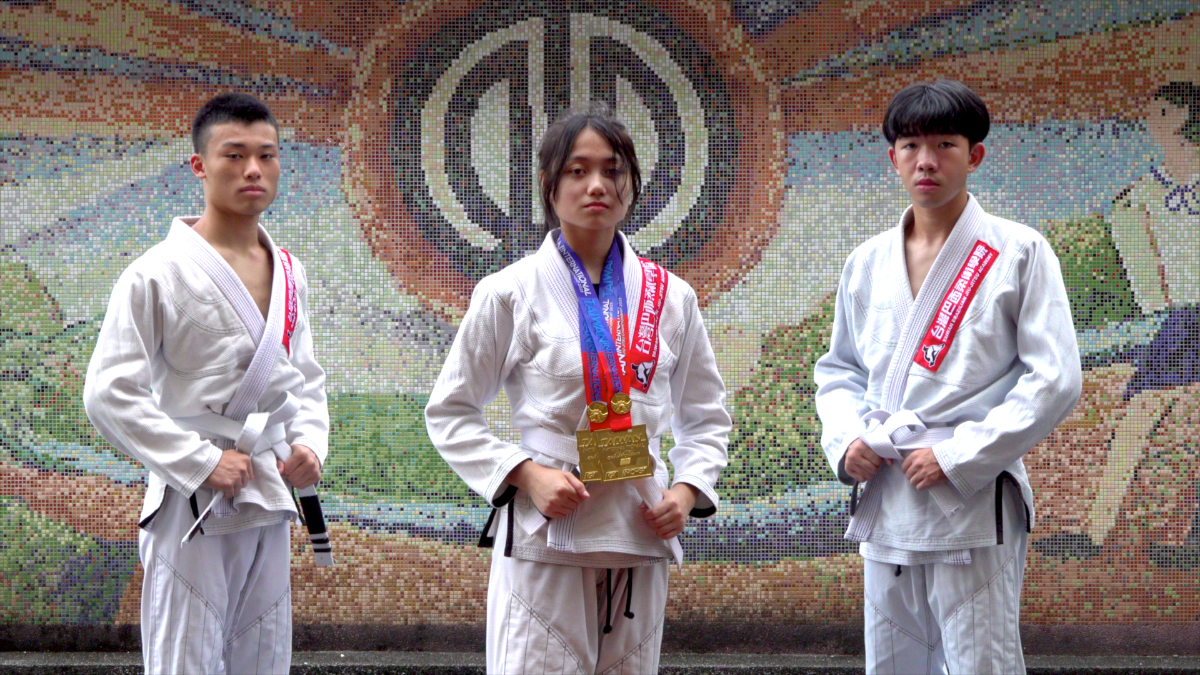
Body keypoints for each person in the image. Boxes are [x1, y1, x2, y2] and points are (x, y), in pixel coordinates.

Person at [425, 102, 729, 675]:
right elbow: (451, 411)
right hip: (549, 527)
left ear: (631, 183)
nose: (597, 185)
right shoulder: (509, 291)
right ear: (549, 183)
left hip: (639, 521)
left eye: (613, 170)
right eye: (578, 170)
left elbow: (706, 417)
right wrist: (526, 474)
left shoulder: (672, 297)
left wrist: (688, 491)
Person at [813, 80, 1082, 674]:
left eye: (944, 144)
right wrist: (847, 439)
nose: (926, 160)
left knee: (980, 662)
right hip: (888, 493)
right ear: (893, 158)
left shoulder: (1019, 251)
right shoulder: (866, 261)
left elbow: (1055, 378)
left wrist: (960, 456)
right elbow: (839, 370)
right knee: (892, 662)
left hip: (970, 497)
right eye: (911, 146)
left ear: (974, 155)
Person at [84, 92, 329, 674]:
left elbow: (305, 377)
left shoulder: (289, 270)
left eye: (267, 155)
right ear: (199, 165)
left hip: (266, 485)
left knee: (264, 655)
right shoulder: (155, 272)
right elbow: (108, 392)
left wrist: (309, 445)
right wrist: (199, 461)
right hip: (190, 497)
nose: (253, 170)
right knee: (185, 659)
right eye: (234, 155)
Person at [1035, 81, 1200, 567]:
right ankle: (1093, 533)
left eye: (1163, 112)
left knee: (1140, 415)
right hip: (1184, 318)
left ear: (1186, 116)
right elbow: (1144, 268)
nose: (1153, 120)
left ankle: (1186, 539)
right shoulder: (1143, 193)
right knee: (1138, 415)